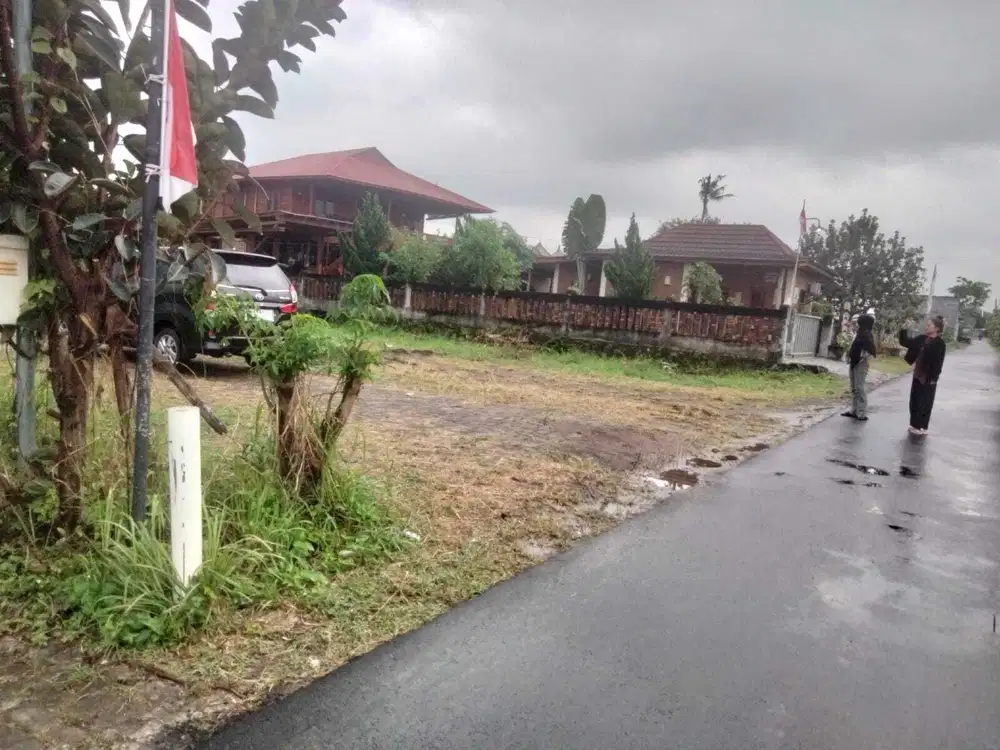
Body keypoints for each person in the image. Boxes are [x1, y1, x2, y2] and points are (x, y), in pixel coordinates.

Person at [899, 315, 947, 435]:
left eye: (929, 325)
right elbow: (906, 342)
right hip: (918, 374)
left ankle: (922, 426)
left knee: (925, 402)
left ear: (936, 328)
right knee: (914, 400)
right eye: (926, 324)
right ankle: (914, 424)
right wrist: (904, 329)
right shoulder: (921, 338)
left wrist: (934, 377)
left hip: (929, 377)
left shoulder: (940, 343)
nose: (926, 326)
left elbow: (938, 363)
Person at [843, 312, 876, 421]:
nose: (857, 323)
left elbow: (870, 350)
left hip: (861, 364)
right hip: (854, 362)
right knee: (854, 388)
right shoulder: (860, 333)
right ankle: (854, 410)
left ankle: (861, 412)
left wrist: (862, 358)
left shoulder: (867, 334)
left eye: (859, 321)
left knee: (859, 388)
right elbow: (853, 344)